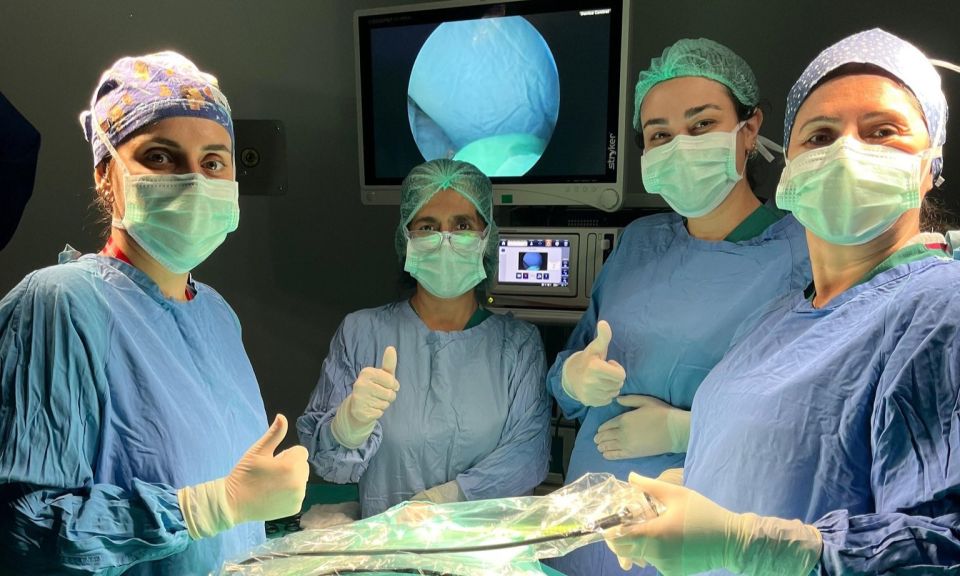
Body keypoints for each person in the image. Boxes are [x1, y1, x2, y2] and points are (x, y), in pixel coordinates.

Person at [605, 29, 960, 575]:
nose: (846, 151)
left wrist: (748, 545)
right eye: (820, 136)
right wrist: (698, 482)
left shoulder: (940, 308)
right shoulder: (778, 319)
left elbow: (944, 545)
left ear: (929, 165)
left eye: (882, 131)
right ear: (790, 163)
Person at [0, 51, 309, 575]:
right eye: (161, 157)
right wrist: (207, 509)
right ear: (107, 175)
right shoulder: (58, 305)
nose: (194, 180)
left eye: (213, 162)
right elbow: (18, 532)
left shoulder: (216, 315)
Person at [544, 38, 810, 576]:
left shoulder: (801, 254)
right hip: (581, 535)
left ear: (750, 128)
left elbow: (810, 426)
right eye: (660, 135)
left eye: (702, 124)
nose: (681, 146)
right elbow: (568, 377)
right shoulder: (639, 243)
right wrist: (573, 379)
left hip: (695, 545)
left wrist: (686, 431)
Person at [298, 158, 551, 518]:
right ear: (407, 238)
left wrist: (445, 499)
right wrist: (347, 427)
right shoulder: (362, 333)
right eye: (428, 227)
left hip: (487, 547)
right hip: (391, 544)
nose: (445, 239)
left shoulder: (518, 347)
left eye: (462, 225)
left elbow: (527, 457)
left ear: (486, 237)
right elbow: (331, 467)